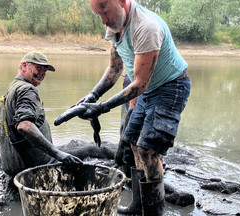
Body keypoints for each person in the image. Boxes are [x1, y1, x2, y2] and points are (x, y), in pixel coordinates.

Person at [74, 0, 191, 215]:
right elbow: (115, 68)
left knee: (148, 150)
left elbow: (140, 84)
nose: (103, 21)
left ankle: (155, 210)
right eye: (97, 15)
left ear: (121, 2)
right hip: (147, 89)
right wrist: (92, 96)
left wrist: (101, 108)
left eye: (105, 11)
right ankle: (139, 203)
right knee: (135, 144)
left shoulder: (146, 27)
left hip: (170, 87)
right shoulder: (114, 27)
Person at [0, 51, 82, 176]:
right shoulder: (27, 89)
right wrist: (59, 154)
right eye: (38, 68)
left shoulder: (12, 88)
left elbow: (2, 131)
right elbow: (24, 125)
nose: (42, 74)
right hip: (31, 168)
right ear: (24, 65)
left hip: (12, 167)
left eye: (45, 70)